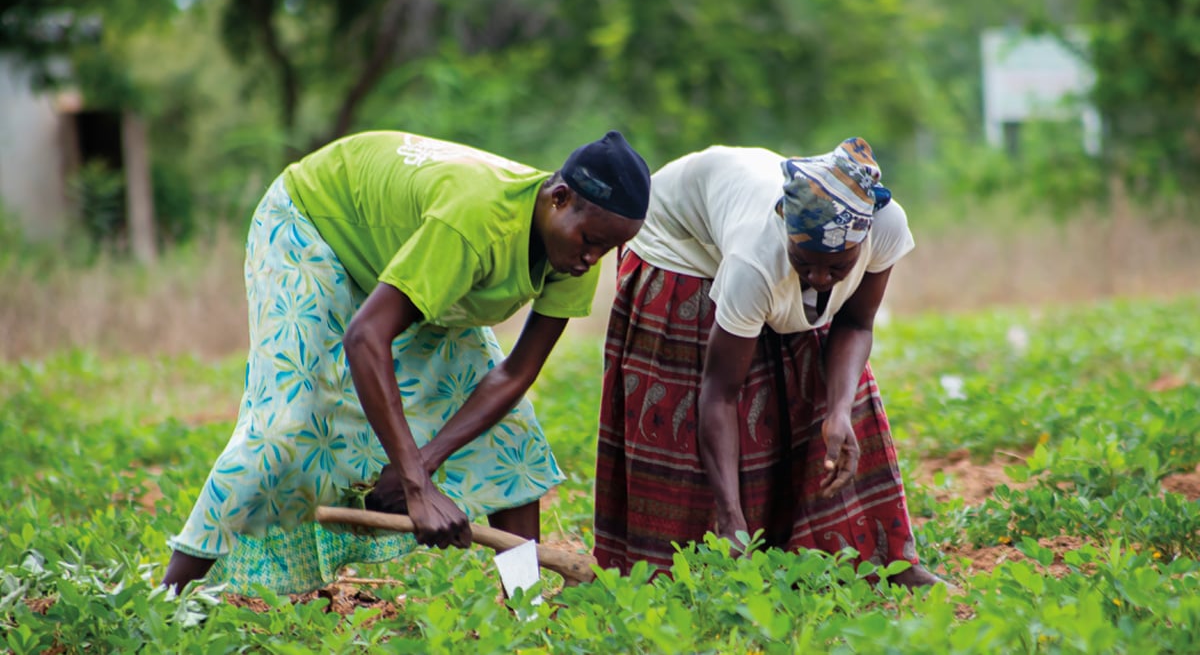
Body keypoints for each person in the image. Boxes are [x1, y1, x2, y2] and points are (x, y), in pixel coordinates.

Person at [162, 129, 650, 594]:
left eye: (607, 248)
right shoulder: (475, 223)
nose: (593, 259)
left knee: (513, 436)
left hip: (399, 259)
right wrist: (416, 485)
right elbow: (365, 338)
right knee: (283, 428)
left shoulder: (575, 251)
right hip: (312, 224)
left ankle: (526, 613)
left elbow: (514, 374)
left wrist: (424, 461)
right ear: (559, 197)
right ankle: (167, 596)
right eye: (590, 241)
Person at [593, 137, 940, 586]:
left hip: (735, 217)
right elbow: (718, 393)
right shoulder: (754, 260)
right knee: (690, 401)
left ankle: (875, 563)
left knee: (825, 383)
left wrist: (838, 413)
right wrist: (730, 513)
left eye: (836, 269)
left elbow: (854, 324)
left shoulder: (884, 225)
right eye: (805, 263)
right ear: (786, 231)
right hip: (676, 245)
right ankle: (685, 574)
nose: (817, 279)